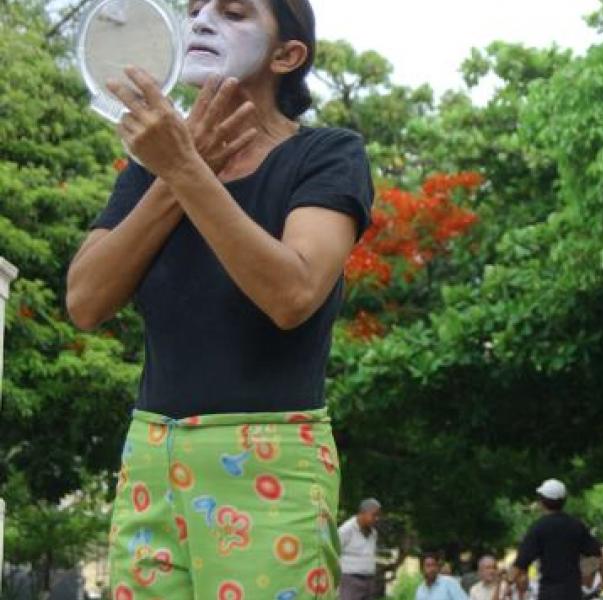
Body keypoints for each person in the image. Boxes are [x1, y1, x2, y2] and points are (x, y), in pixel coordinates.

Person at [67, 1, 373, 598]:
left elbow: (292, 294)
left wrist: (183, 167)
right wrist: (177, 170)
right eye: (193, 10)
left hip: (270, 459)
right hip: (151, 454)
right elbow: (85, 300)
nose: (202, 21)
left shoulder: (327, 156)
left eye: (232, 12)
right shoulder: (150, 167)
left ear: (288, 55)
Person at [512, 479, 603, 600]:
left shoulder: (538, 528)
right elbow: (598, 554)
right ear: (564, 501)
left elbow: (520, 563)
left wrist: (509, 581)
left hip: (549, 593)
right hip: (573, 592)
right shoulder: (576, 525)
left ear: (542, 501)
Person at [339, 498, 385, 600]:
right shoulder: (346, 530)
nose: (377, 518)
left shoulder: (373, 533)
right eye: (374, 515)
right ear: (363, 513)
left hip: (369, 580)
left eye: (378, 515)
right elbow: (335, 553)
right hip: (350, 580)